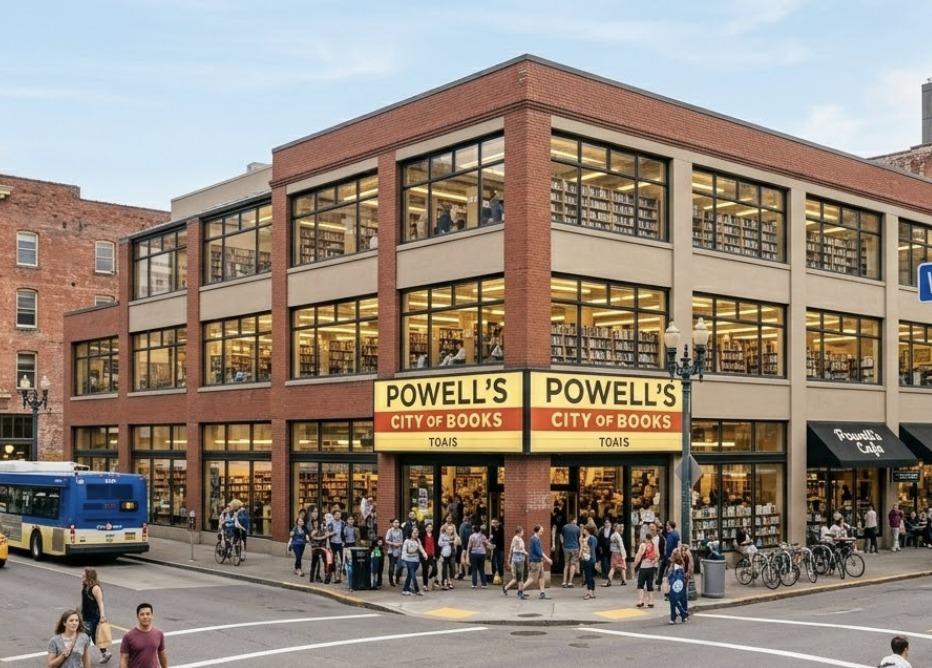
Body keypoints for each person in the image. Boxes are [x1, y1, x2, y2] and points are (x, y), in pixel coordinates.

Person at [119, 603, 167, 668]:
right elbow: (124, 658)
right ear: (137, 616)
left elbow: (162, 653)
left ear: (152, 615)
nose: (145, 617)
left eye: (148, 614)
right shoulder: (128, 636)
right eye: (142, 614)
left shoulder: (159, 633)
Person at [80, 567, 112, 663]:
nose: (81, 577)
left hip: (92, 617)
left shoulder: (95, 588)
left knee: (85, 637)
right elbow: (85, 601)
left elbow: (100, 602)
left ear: (89, 576)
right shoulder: (86, 586)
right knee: (94, 636)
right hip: (86, 615)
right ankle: (105, 652)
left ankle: (82, 657)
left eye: (84, 576)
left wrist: (102, 616)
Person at [521, 524, 553, 600]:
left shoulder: (536, 539)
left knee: (542, 577)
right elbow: (539, 552)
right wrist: (547, 559)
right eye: (541, 531)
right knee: (532, 578)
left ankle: (542, 593)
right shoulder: (534, 539)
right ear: (537, 531)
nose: (542, 532)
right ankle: (520, 590)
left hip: (538, 561)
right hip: (535, 562)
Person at [401, 525, 428, 596]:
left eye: (417, 533)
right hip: (409, 560)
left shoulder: (418, 540)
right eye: (414, 533)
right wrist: (403, 559)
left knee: (410, 576)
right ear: (410, 533)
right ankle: (417, 590)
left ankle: (405, 589)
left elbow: (421, 548)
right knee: (413, 576)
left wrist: (424, 554)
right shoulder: (407, 541)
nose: (415, 534)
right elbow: (404, 551)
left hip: (416, 561)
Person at [502, 525, 527, 597]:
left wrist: (509, 559)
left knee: (518, 577)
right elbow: (519, 549)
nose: (523, 533)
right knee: (519, 577)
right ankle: (518, 591)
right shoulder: (517, 539)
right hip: (519, 559)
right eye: (522, 531)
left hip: (516, 559)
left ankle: (519, 590)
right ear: (519, 532)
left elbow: (511, 549)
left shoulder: (516, 538)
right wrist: (526, 553)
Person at [634, 535, 659, 608]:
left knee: (640, 584)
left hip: (643, 567)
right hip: (651, 567)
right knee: (650, 584)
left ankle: (640, 601)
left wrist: (635, 565)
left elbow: (638, 556)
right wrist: (653, 562)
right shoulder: (654, 545)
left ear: (645, 539)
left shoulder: (642, 545)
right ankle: (650, 601)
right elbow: (658, 556)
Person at [467, 523, 493, 588]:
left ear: (474, 530)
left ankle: (474, 584)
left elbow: (469, 546)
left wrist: (467, 554)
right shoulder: (483, 536)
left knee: (474, 569)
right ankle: (484, 584)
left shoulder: (471, 536)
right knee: (481, 569)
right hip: (482, 553)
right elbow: (487, 543)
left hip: (474, 553)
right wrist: (492, 545)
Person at [666, 551, 689, 624]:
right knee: (682, 600)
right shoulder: (682, 565)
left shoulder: (673, 566)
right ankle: (683, 615)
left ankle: (675, 616)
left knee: (673, 601)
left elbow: (670, 576)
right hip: (681, 585)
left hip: (674, 585)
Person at [603, 522, 627, 586]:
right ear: (616, 528)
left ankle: (610, 580)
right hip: (618, 552)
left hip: (614, 552)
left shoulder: (613, 535)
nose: (620, 528)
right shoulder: (617, 535)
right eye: (619, 527)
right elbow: (621, 545)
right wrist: (623, 554)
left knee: (613, 566)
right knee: (621, 567)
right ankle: (623, 580)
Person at [326, 508, 346, 584]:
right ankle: (332, 576)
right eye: (336, 514)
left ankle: (338, 576)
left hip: (340, 543)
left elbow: (345, 533)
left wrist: (344, 541)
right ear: (333, 515)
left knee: (340, 561)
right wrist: (332, 533)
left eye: (339, 514)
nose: (338, 516)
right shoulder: (330, 523)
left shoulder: (343, 523)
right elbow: (327, 534)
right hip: (332, 543)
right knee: (332, 560)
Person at [560, 516, 580, 588]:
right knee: (573, 565)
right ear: (573, 520)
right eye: (576, 520)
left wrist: (563, 543)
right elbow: (579, 537)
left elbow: (561, 535)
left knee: (566, 564)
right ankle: (570, 582)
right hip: (575, 547)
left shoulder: (565, 527)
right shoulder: (577, 528)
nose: (576, 521)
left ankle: (564, 581)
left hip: (566, 547)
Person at [580, 523, 598, 600]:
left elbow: (592, 550)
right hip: (585, 558)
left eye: (584, 529)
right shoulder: (586, 538)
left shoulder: (591, 539)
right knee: (589, 576)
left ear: (587, 530)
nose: (583, 530)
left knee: (589, 576)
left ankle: (589, 592)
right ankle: (592, 592)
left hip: (589, 559)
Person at [385, 518, 404, 587]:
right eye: (395, 522)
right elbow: (386, 540)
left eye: (398, 522)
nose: (396, 524)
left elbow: (402, 539)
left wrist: (400, 544)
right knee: (392, 567)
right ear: (392, 524)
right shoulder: (390, 531)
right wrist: (394, 544)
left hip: (399, 551)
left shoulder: (400, 531)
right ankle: (391, 581)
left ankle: (397, 579)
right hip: (392, 551)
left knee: (400, 566)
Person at [489, 517, 505, 585]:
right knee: (493, 562)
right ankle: (494, 577)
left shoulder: (501, 529)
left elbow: (501, 539)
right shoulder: (492, 529)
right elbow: (492, 539)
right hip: (495, 548)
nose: (494, 524)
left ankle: (501, 577)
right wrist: (491, 540)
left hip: (500, 548)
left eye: (495, 523)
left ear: (498, 523)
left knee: (500, 563)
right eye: (492, 523)